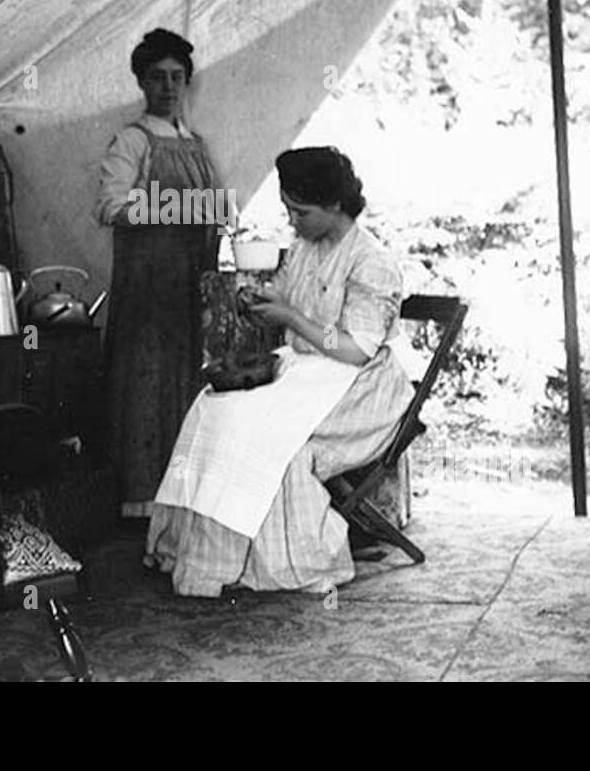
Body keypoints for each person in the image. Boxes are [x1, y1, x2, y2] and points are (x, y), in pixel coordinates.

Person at [145, 146, 414, 596]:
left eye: (301, 211)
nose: (292, 220)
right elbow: (288, 297)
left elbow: (355, 348)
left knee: (273, 440)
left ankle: (276, 560)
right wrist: (262, 303)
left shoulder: (372, 262)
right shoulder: (307, 247)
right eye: (287, 209)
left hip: (362, 387)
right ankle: (202, 552)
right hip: (309, 372)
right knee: (214, 409)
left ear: (334, 205)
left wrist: (290, 318)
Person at [97, 28, 222, 519]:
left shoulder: (196, 143)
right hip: (147, 286)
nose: (169, 87)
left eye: (177, 77)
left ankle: (183, 499)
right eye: (158, 77)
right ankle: (143, 503)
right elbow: (110, 206)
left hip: (192, 286)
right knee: (146, 385)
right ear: (142, 83)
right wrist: (180, 207)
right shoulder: (132, 140)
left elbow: (211, 211)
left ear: (187, 83)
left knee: (190, 384)